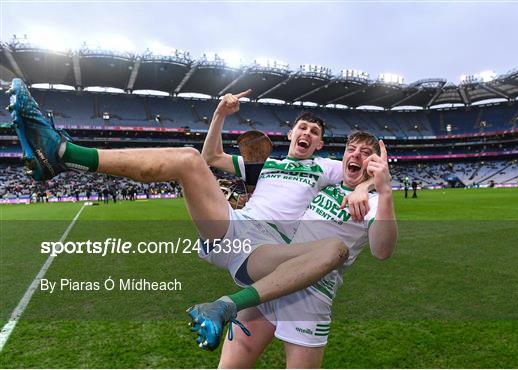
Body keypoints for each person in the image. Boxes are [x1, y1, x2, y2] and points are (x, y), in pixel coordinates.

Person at [7, 78, 371, 350]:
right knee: (188, 159)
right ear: (290, 133)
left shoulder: (325, 168)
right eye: (302, 127)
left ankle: (225, 307)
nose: (307, 133)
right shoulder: (266, 164)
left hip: (266, 252)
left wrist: (361, 188)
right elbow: (211, 157)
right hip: (234, 226)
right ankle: (62, 155)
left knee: (334, 249)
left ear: (321, 144)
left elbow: (366, 168)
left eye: (315, 132)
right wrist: (218, 114)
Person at [216, 131, 397, 368]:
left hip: (311, 294)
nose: (356, 155)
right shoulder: (324, 184)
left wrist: (383, 191)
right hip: (275, 278)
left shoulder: (372, 203)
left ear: (374, 163)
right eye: (351, 149)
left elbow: (382, 251)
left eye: (365, 153)